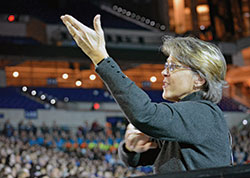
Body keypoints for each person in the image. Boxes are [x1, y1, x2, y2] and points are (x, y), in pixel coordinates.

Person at [60, 14, 232, 174]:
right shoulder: (185, 120)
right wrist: (131, 148)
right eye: (166, 66)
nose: (164, 73)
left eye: (173, 67)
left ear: (199, 79)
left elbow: (145, 114)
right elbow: (139, 158)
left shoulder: (204, 113)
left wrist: (102, 59)